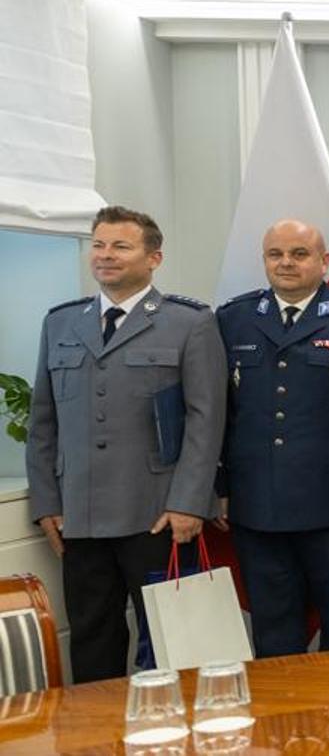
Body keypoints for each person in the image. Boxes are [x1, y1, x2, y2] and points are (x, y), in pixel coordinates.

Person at [25, 206, 225, 682]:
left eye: (121, 246)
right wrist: (47, 503)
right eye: (99, 245)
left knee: (175, 644)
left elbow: (207, 419)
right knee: (93, 640)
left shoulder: (189, 323)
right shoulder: (61, 323)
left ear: (154, 257)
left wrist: (189, 504)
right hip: (80, 517)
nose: (106, 255)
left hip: (157, 516)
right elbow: (43, 421)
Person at [214, 219, 329, 657]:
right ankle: (281, 722)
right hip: (256, 504)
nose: (286, 263)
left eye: (299, 254)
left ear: (324, 262)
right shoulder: (234, 318)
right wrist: (221, 487)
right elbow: (219, 413)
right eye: (275, 254)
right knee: (272, 629)